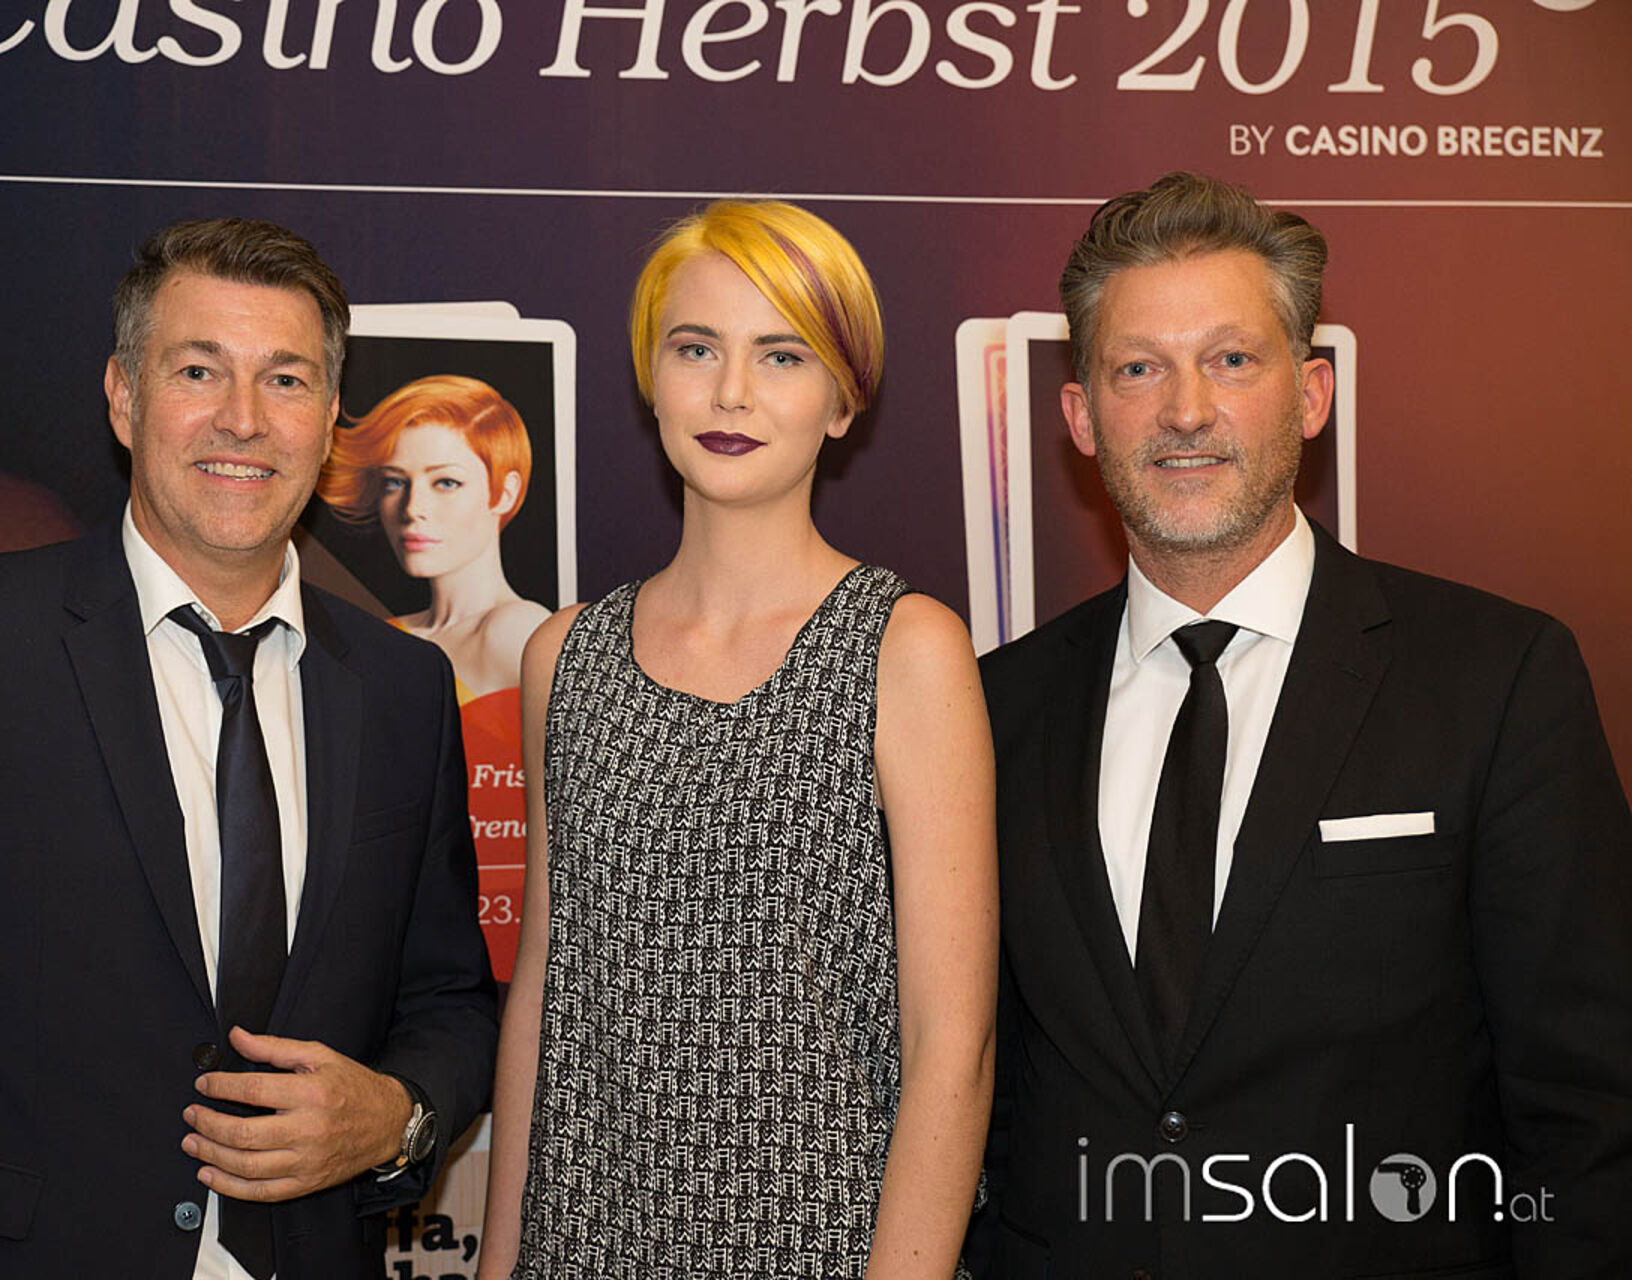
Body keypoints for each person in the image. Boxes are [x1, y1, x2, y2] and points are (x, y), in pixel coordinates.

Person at [0, 218, 498, 1279]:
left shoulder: (404, 687)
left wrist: (399, 1114)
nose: (243, 418)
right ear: (124, 397)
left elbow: (450, 1001)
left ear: (328, 421)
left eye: (285, 379)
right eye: (198, 370)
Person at [964, 171, 1632, 1278]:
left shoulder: (1496, 676)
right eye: (1139, 367)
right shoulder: (994, 707)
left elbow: (1590, 1105)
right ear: (1080, 416)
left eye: (1232, 359)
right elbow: (971, 1087)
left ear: (1312, 394)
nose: (1186, 410)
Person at [479, 201, 998, 1279]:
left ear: (843, 401)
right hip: (586, 1245)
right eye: (695, 348)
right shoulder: (562, 657)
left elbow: (953, 1046)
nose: (730, 393)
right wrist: (501, 1261)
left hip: (824, 1244)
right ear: (650, 377)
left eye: (782, 355)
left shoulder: (905, 648)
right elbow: (542, 992)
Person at [318, 374, 550, 699]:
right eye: (395, 482)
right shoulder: (384, 635)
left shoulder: (518, 631)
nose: (413, 508)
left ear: (505, 493)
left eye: (446, 482)